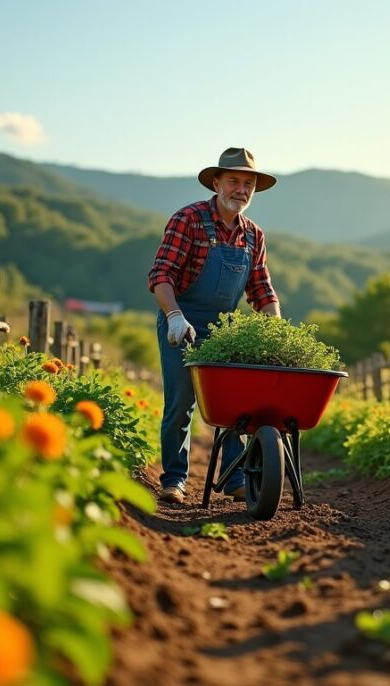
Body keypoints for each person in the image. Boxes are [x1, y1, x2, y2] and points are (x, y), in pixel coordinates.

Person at [146, 148, 281, 505]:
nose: (241, 189)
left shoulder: (253, 235)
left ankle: (235, 477)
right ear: (217, 183)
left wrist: (277, 331)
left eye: (248, 183)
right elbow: (162, 275)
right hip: (181, 321)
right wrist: (174, 317)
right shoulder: (188, 220)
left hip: (225, 329)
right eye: (234, 180)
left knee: (238, 407)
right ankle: (174, 479)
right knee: (181, 403)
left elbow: (261, 290)